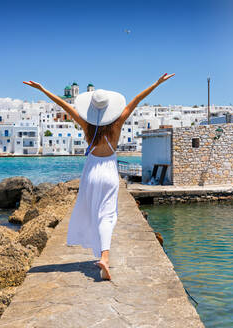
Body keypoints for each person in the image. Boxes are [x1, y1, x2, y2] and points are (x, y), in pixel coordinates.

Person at [23, 73, 175, 280]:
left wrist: (42, 90)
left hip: (92, 172)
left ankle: (102, 255)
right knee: (108, 215)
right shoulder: (118, 124)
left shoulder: (87, 126)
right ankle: (104, 256)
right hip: (109, 173)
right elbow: (137, 100)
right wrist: (156, 83)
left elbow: (63, 106)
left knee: (93, 212)